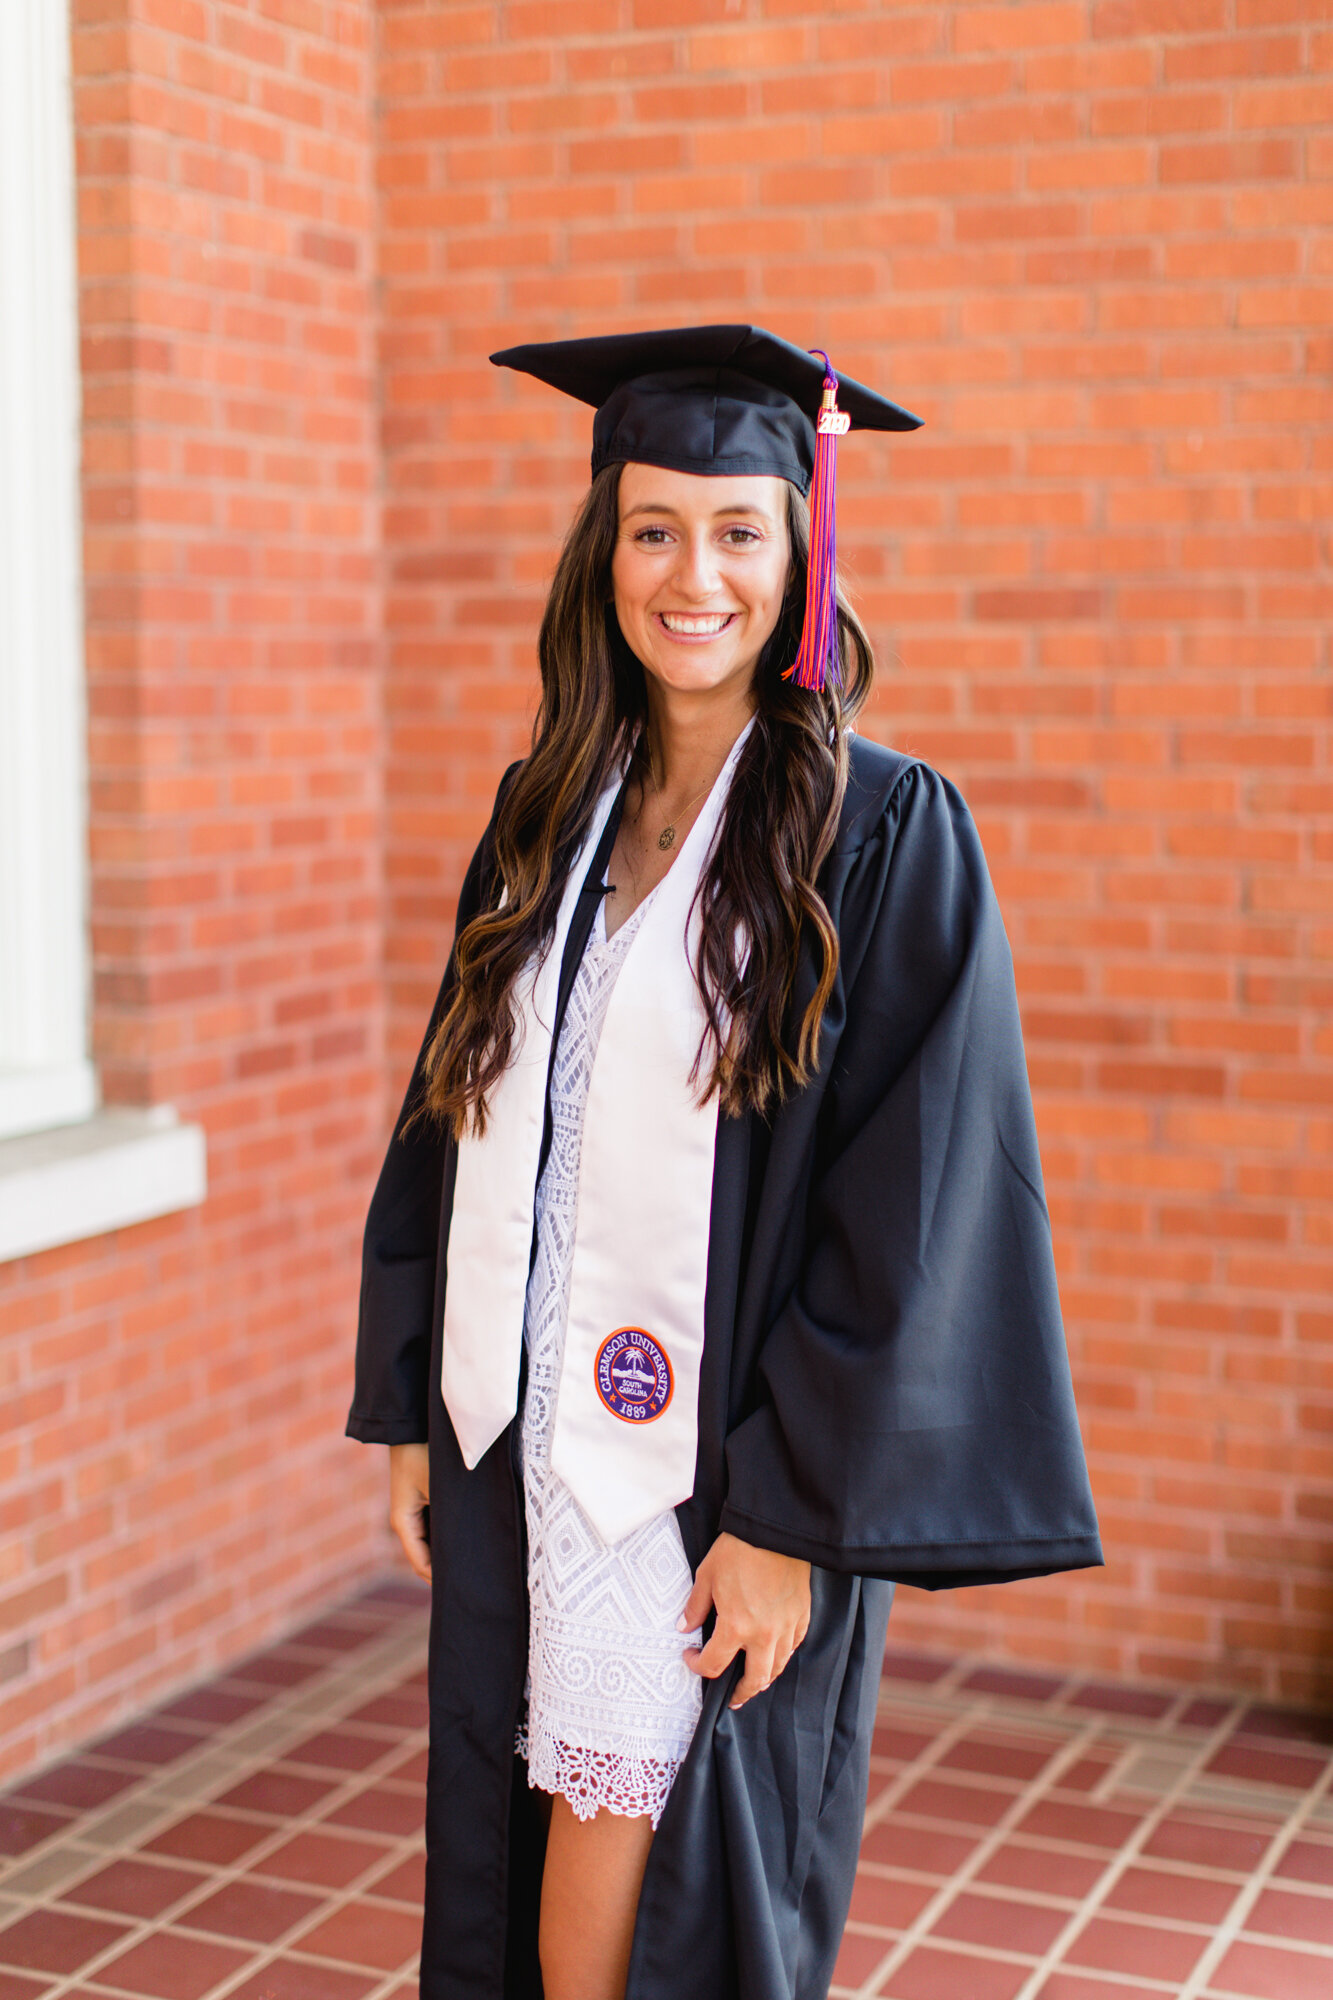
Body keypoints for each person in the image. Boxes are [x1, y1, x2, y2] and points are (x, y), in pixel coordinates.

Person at [348, 324, 1102, 2000]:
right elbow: (448, 1106)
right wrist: (412, 1392)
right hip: (513, 1437)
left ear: (803, 548)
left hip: (696, 1479)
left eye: (739, 529)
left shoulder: (880, 832)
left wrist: (786, 1517)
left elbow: (913, 1201)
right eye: (653, 528)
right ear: (601, 551)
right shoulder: (546, 812)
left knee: (636, 1898)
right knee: (518, 1834)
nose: (694, 575)